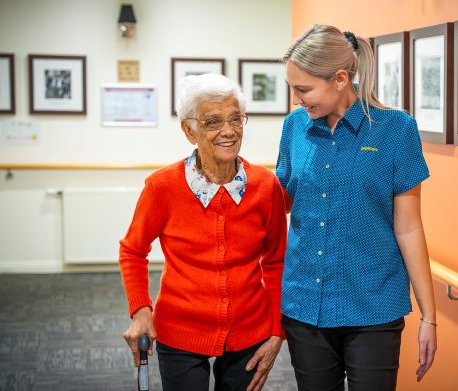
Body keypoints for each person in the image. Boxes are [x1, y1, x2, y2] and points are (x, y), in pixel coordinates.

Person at [276, 24, 437, 391]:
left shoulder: (396, 130)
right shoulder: (294, 128)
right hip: (305, 306)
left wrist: (430, 315)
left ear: (340, 79)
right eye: (292, 89)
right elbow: (280, 202)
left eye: (303, 89)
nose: (297, 99)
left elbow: (409, 227)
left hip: (373, 308)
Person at [120, 73, 287, 391]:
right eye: (213, 122)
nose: (229, 131)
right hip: (180, 329)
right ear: (189, 130)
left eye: (236, 118)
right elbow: (132, 250)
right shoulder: (162, 187)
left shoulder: (266, 186)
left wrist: (277, 330)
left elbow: (277, 262)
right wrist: (142, 311)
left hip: (250, 331)